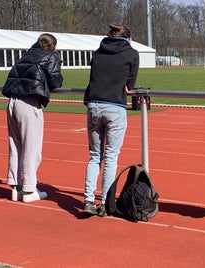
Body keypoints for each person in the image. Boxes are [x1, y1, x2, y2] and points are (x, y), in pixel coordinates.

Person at [82, 24, 139, 216]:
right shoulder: (131, 53)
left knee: (95, 156)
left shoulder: (98, 52)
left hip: (93, 105)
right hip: (114, 106)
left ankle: (89, 200)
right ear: (128, 38)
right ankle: (106, 203)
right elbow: (130, 85)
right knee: (111, 156)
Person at [2, 33, 63, 202]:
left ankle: (16, 188)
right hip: (29, 103)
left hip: (13, 102)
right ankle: (29, 190)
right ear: (54, 46)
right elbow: (56, 82)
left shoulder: (27, 54)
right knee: (32, 148)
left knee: (15, 146)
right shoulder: (50, 56)